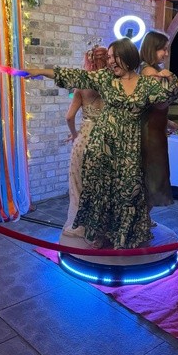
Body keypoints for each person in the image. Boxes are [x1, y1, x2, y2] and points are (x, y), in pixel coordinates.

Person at [24, 38, 178, 249]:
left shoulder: (146, 84)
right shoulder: (105, 78)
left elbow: (167, 97)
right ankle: (98, 235)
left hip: (130, 149)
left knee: (128, 191)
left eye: (114, 57)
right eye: (108, 57)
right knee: (100, 192)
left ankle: (123, 237)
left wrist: (171, 78)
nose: (111, 61)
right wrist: (41, 71)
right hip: (102, 145)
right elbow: (75, 75)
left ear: (127, 56)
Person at [137, 30, 178, 210]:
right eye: (163, 49)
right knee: (151, 177)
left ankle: (144, 219)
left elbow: (150, 105)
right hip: (150, 133)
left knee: (150, 177)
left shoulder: (149, 69)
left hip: (154, 128)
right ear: (152, 49)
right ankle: (143, 219)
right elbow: (158, 98)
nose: (166, 53)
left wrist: (167, 122)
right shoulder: (149, 71)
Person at [62, 45, 109, 237]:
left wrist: (74, 134)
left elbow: (69, 117)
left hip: (85, 137)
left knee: (79, 184)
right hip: (107, 137)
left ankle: (81, 226)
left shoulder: (81, 85)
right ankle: (103, 227)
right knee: (103, 184)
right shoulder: (115, 84)